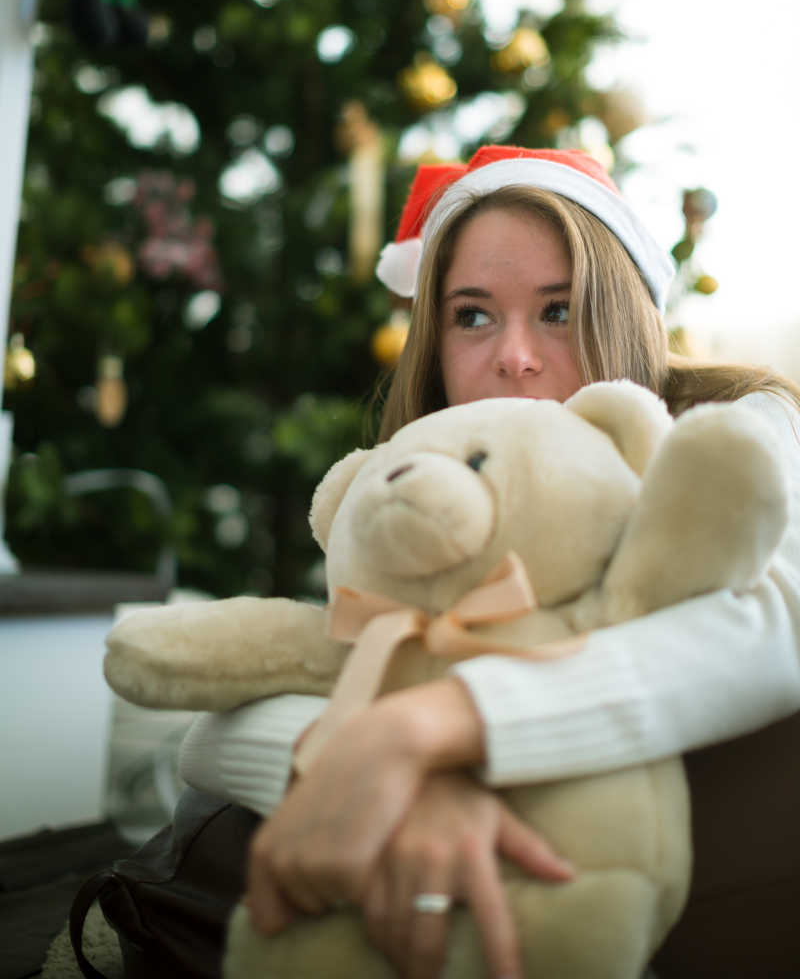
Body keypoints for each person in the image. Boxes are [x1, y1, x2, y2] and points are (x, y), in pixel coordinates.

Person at [179, 145, 800, 979]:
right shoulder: (427, 490)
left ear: (619, 312)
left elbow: (773, 622)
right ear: (434, 344)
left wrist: (431, 726)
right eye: (472, 315)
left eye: (558, 310)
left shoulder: (738, 425)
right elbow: (218, 724)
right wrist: (387, 781)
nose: (514, 356)